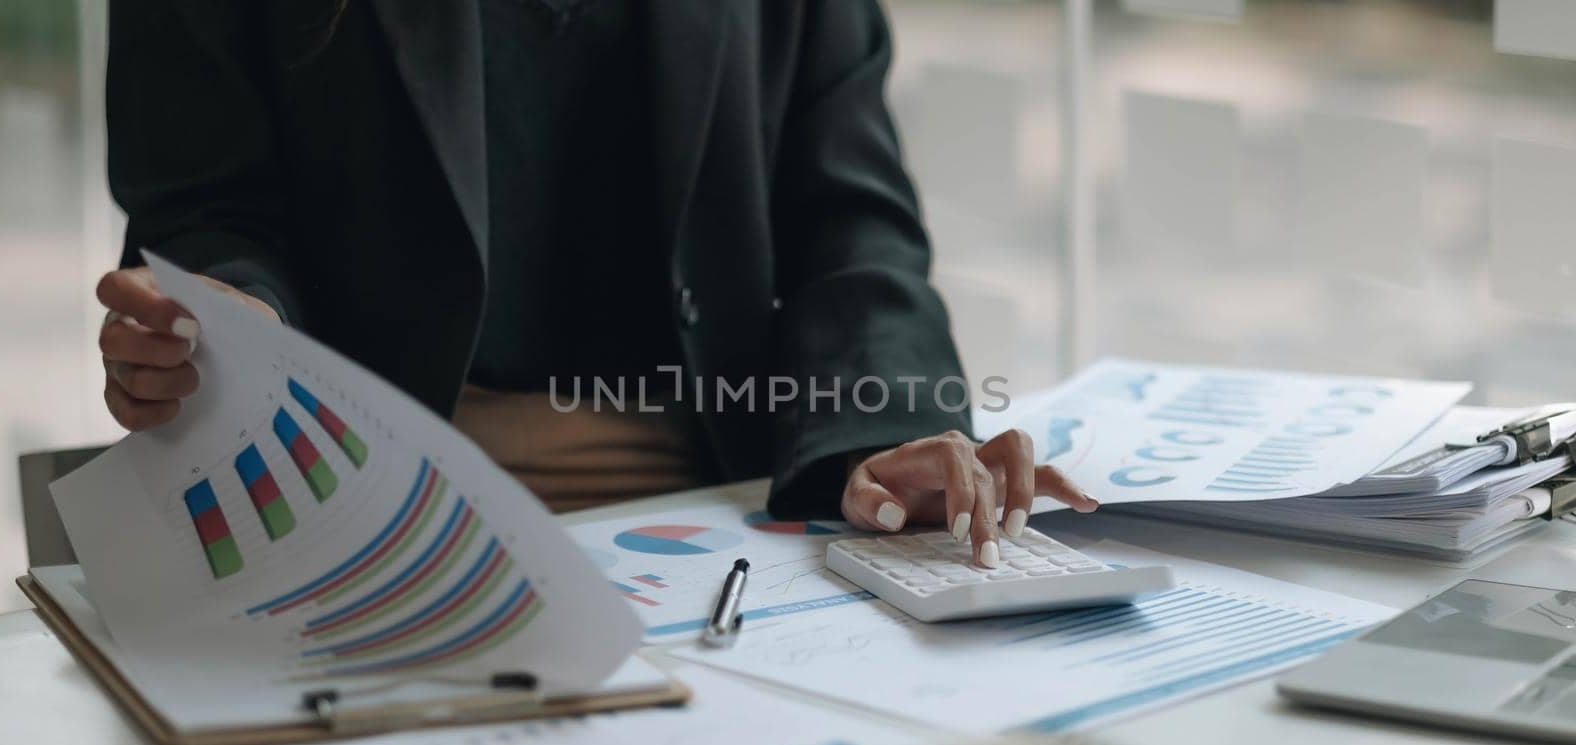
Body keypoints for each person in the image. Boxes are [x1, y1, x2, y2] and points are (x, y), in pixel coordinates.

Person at [94, 0, 1097, 570]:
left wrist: (885, 432)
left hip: (731, 501)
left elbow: (851, 216)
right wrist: (227, 319)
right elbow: (207, 205)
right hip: (358, 501)